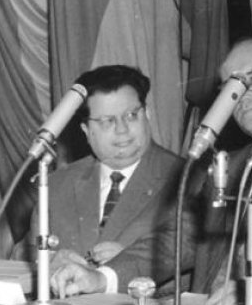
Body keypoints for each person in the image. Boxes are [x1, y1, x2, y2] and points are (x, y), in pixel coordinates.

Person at [50, 39, 252, 305]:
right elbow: (177, 242)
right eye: (230, 88)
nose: (240, 97)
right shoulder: (226, 169)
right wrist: (102, 278)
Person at [20, 65, 183, 275]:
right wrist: (48, 260)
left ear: (147, 114)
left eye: (132, 115)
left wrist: (129, 265)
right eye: (107, 121)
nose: (122, 129)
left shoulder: (185, 178)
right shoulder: (57, 185)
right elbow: (22, 253)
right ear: (86, 131)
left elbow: (195, 262)